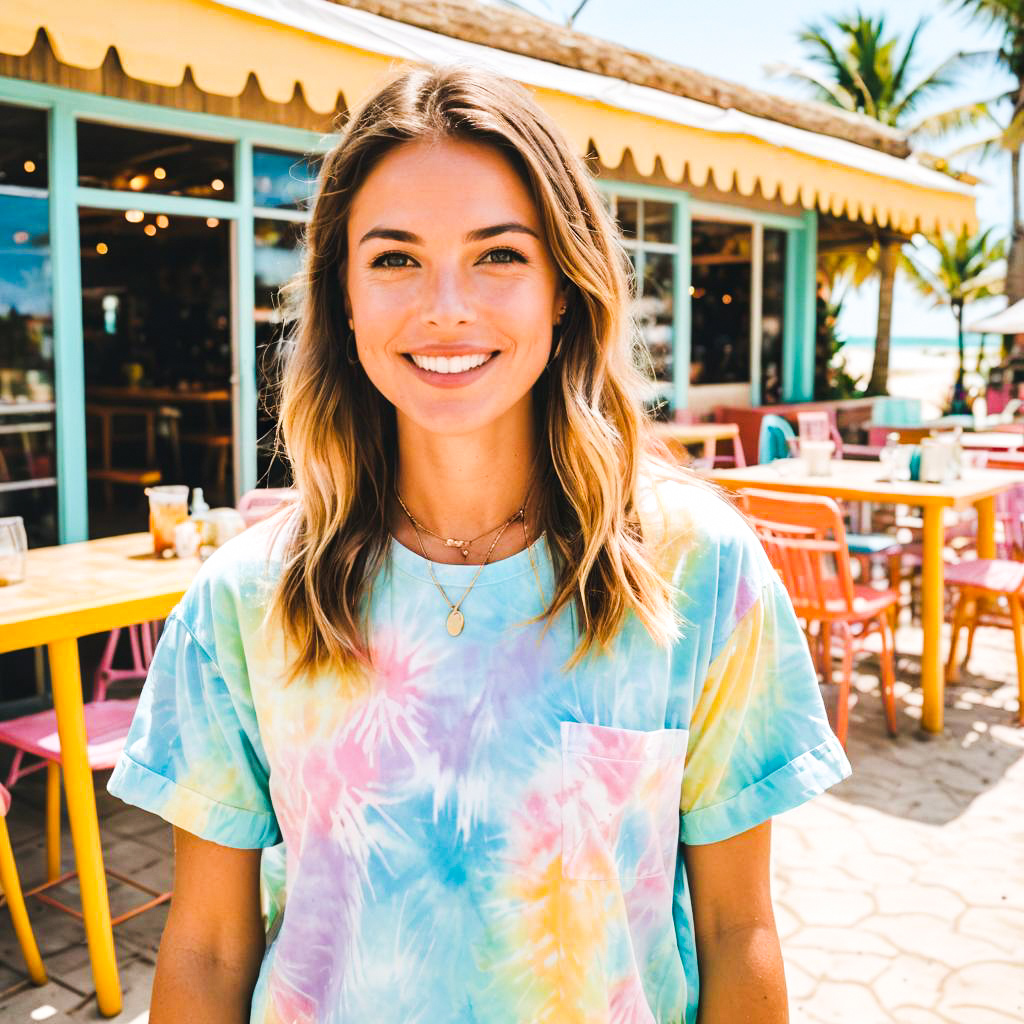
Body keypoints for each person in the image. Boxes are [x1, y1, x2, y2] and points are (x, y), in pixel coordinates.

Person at [107, 65, 851, 1024]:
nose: (445, 305)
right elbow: (208, 951)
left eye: (498, 255)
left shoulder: (698, 569)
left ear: (565, 289)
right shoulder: (246, 598)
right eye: (394, 258)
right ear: (341, 299)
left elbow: (735, 931)